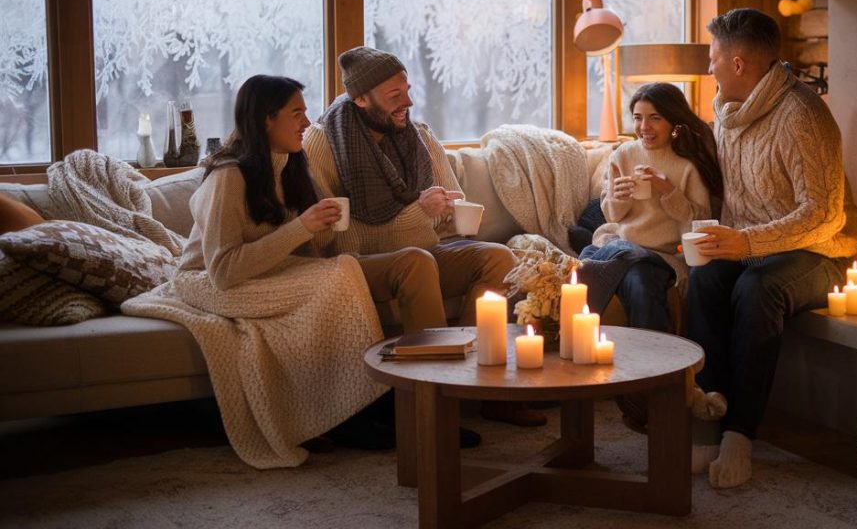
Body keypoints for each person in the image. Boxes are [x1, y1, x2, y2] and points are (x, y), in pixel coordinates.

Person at [177, 75, 453, 459]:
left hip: (270, 270)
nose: (307, 123)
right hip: (211, 280)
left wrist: (320, 226)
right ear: (265, 120)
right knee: (338, 276)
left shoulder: (293, 165)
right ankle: (352, 412)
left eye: (305, 113)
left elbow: (313, 249)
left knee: (377, 266)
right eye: (296, 113)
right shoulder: (228, 176)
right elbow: (223, 269)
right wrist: (301, 227)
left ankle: (426, 407)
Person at [303, 47, 537, 426]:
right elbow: (337, 236)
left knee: (497, 257)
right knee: (418, 261)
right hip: (360, 265)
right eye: (395, 96)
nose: (408, 102)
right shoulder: (322, 144)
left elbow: (444, 218)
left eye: (407, 90)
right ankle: (434, 408)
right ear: (361, 99)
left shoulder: (418, 137)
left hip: (424, 251)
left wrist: (448, 209)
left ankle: (485, 386)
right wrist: (420, 212)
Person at [689, 9, 857, 489]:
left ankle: (740, 434)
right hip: (752, 244)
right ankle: (706, 418)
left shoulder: (803, 114)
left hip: (823, 253)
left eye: (713, 58)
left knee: (756, 289)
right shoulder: (725, 114)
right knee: (703, 278)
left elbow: (826, 215)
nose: (709, 68)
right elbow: (730, 196)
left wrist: (746, 242)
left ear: (739, 64)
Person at [584, 82, 722, 332]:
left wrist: (668, 190)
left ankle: (654, 365)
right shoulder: (623, 155)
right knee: (627, 272)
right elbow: (612, 215)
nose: (644, 127)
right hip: (623, 246)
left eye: (654, 118)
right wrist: (619, 197)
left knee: (639, 282)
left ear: (672, 120)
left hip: (664, 256)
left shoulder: (687, 164)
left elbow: (697, 225)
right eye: (638, 118)